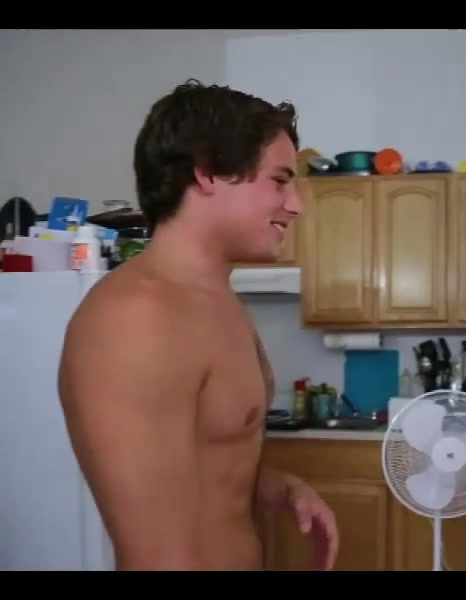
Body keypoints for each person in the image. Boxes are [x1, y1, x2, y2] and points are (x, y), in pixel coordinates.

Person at [57, 80, 338, 571]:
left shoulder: (218, 301)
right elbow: (155, 557)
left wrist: (277, 486)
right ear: (207, 171)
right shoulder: (136, 319)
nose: (296, 205)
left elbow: (203, 463)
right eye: (279, 180)